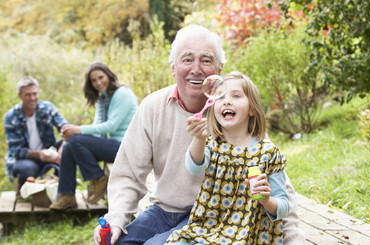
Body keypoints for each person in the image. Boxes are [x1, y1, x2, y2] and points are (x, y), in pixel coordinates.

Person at [94, 25, 305, 245]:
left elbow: (276, 180)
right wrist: (116, 219)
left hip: (213, 216)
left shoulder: (232, 116)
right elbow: (128, 173)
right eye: (187, 60)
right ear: (173, 68)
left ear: (219, 70)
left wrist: (293, 240)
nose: (196, 69)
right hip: (163, 210)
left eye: (206, 60)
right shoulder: (153, 107)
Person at [166, 71, 290, 244]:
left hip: (247, 236)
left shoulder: (267, 154)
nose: (227, 101)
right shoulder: (211, 144)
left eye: (236, 96)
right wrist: (199, 138)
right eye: (220, 96)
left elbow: (284, 206)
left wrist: (267, 201)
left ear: (252, 109)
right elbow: (194, 166)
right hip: (206, 230)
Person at [49, 61, 138, 210]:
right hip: (115, 145)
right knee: (70, 144)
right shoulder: (103, 98)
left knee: (75, 139)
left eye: (101, 77)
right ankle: (67, 196)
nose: (98, 83)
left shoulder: (122, 93)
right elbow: (98, 130)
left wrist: (78, 130)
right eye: (94, 80)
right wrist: (72, 136)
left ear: (109, 76)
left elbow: (111, 126)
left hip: (129, 147)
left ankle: (97, 177)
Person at [3, 76, 67, 197]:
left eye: (35, 94)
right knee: (29, 168)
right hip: (24, 159)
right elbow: (15, 150)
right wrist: (40, 154)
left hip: (48, 152)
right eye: (28, 95)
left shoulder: (47, 108)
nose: (32, 98)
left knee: (70, 146)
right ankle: (22, 188)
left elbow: (66, 128)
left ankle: (62, 191)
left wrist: (62, 148)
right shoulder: (10, 117)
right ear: (19, 95)